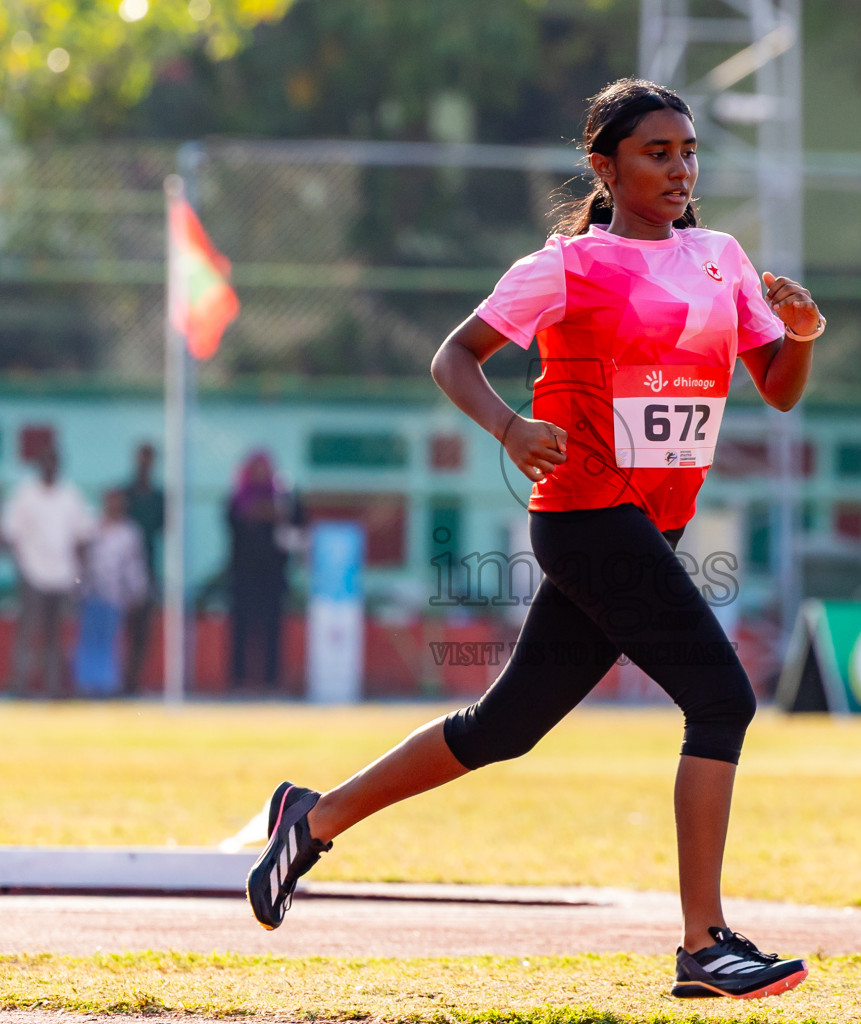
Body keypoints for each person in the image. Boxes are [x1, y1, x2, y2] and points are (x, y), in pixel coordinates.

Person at [243, 79, 824, 1000]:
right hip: (588, 519)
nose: (680, 171)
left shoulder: (722, 259)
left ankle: (313, 819)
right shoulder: (563, 267)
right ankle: (704, 942)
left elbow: (779, 387)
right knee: (723, 700)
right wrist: (511, 428)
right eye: (656, 154)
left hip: (653, 527)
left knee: (503, 728)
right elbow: (453, 356)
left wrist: (798, 335)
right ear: (605, 165)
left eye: (689, 153)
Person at [0, 447, 96, 698]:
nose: (51, 469)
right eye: (46, 464)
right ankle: (20, 684)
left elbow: (83, 535)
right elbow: (9, 535)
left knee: (56, 633)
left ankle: (54, 686)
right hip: (32, 572)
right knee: (28, 630)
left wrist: (80, 574)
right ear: (39, 466)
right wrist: (20, 568)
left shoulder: (70, 495)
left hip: (63, 574)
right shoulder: (25, 495)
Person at [226, 450, 299, 692]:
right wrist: (267, 512)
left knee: (273, 629)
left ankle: (271, 681)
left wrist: (272, 510)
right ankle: (237, 681)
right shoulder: (237, 497)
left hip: (273, 574)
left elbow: (294, 520)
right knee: (241, 629)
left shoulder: (283, 496)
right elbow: (241, 518)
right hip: (244, 573)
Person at [74, 489, 151, 696]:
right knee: (89, 640)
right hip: (90, 592)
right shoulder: (92, 529)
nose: (114, 506)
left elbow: (134, 565)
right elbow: (80, 562)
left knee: (110, 640)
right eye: (111, 502)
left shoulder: (129, 533)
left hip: (115, 594)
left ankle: (107, 683)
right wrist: (77, 586)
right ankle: (86, 683)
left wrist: (137, 591)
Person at [119, 442, 164, 695]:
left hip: (147, 569)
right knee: (121, 628)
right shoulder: (124, 493)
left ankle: (133, 682)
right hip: (119, 573)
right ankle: (118, 679)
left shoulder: (159, 498)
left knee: (142, 631)